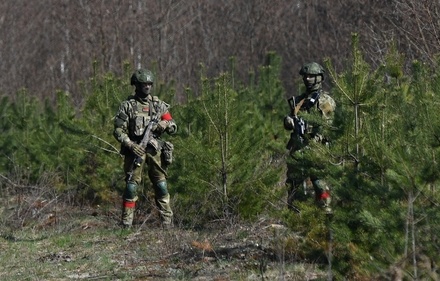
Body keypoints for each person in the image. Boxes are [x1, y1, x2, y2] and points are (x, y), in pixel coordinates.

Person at [113, 68, 177, 228]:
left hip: (155, 151)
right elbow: (118, 130)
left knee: (161, 185)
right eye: (144, 84)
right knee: (131, 187)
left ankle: (167, 224)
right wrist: (130, 144)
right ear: (136, 85)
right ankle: (126, 224)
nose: (147, 87)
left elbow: (174, 127)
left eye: (149, 84)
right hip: (135, 150)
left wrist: (166, 124)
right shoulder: (128, 106)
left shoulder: (159, 105)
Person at [283, 62, 336, 214]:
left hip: (316, 148)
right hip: (298, 148)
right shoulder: (299, 101)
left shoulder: (325, 101)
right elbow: (291, 120)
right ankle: (294, 215)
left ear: (320, 78)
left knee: (320, 182)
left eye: (312, 76)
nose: (308, 79)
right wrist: (289, 121)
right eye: (306, 76)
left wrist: (315, 141)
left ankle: (326, 213)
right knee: (294, 183)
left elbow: (328, 126)